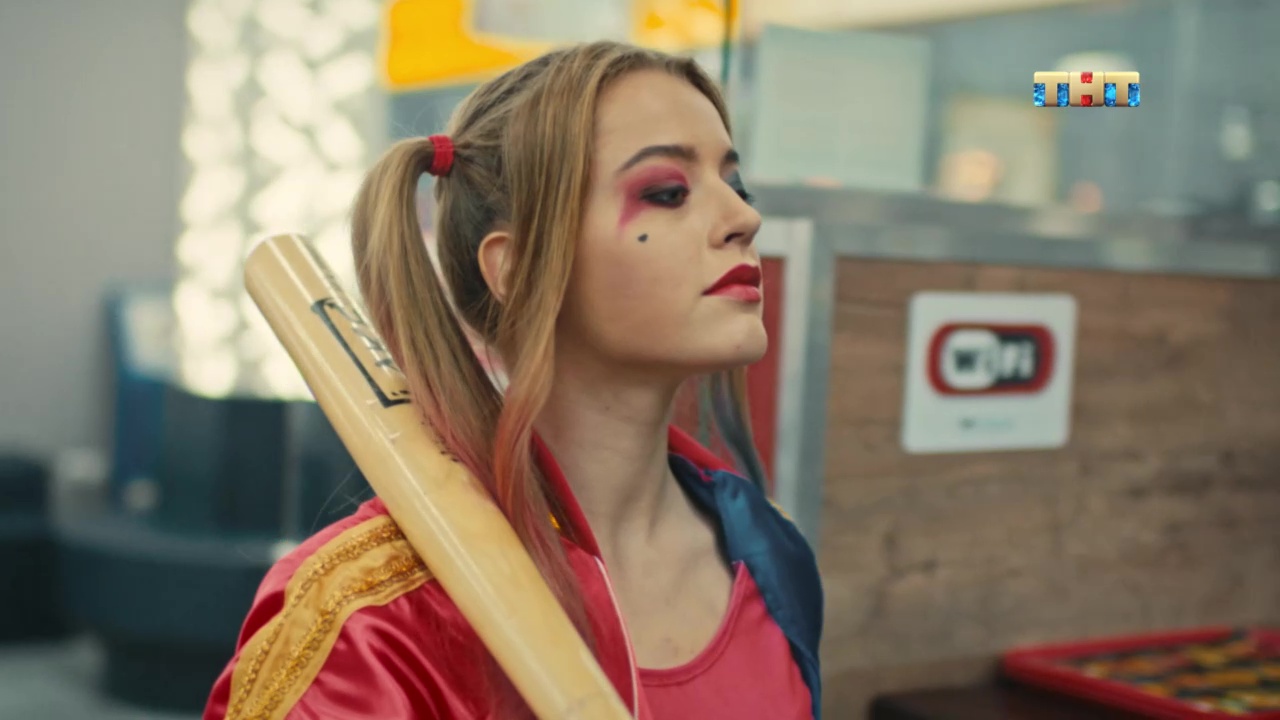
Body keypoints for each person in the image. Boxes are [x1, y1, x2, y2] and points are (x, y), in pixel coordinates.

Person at [204, 40, 823, 720]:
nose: (744, 219)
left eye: (735, 186)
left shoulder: (768, 554)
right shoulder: (368, 625)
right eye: (667, 193)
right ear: (517, 267)